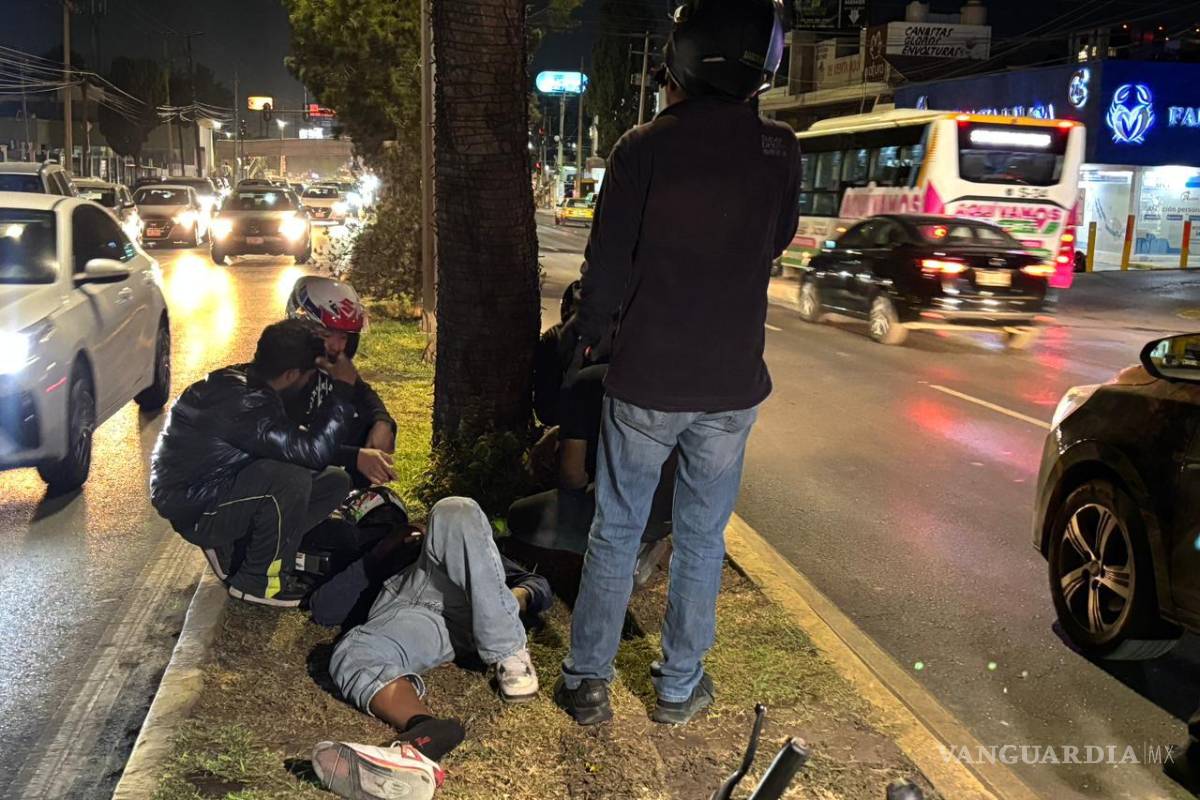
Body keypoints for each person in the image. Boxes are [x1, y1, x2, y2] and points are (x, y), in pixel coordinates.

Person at [555, 0, 800, 727]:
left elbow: (605, 270)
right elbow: (775, 239)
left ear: (681, 61)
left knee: (617, 527)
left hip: (646, 379)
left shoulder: (641, 148)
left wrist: (588, 339)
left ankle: (587, 681)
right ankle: (677, 685)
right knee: (701, 538)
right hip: (729, 384)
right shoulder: (780, 150)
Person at [314, 497, 551, 799]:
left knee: (455, 509)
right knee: (352, 651)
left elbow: (537, 584)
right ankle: (424, 734)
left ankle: (508, 650)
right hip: (408, 613)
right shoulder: (374, 550)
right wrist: (385, 547)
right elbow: (325, 609)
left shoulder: (463, 541)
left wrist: (505, 603)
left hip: (465, 606)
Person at [150, 319, 361, 607]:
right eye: (309, 375)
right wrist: (342, 393)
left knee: (334, 481)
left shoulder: (250, 382)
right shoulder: (248, 404)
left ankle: (248, 549)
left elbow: (296, 444)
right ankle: (258, 583)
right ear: (290, 374)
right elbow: (311, 452)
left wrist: (355, 454)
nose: (312, 381)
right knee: (290, 479)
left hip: (217, 486)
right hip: (197, 508)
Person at [284, 275, 397, 487]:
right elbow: (286, 443)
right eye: (327, 335)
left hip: (318, 473)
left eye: (344, 337)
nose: (337, 346)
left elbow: (363, 394)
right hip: (282, 491)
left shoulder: (327, 365)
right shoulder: (282, 372)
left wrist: (382, 421)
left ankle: (351, 501)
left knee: (364, 423)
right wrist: (355, 457)